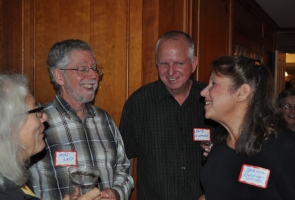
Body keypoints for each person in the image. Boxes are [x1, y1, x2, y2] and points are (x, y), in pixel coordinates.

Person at [29, 39, 134, 200]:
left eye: (94, 68)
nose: (93, 75)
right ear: (59, 76)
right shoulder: (38, 123)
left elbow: (123, 170)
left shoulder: (105, 120)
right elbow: (18, 185)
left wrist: (116, 193)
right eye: (83, 69)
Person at [119, 30, 217, 199]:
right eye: (164, 63)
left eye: (179, 63)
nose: (171, 72)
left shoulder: (212, 100)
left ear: (194, 63)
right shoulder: (138, 103)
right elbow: (125, 160)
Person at [199, 55, 295, 199]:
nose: (203, 92)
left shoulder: (285, 147)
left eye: (213, 83)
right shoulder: (220, 141)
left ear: (242, 92)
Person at [0, 74, 101, 200]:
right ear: (10, 126)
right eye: (35, 110)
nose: (44, 117)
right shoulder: (2, 192)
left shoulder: (11, 178)